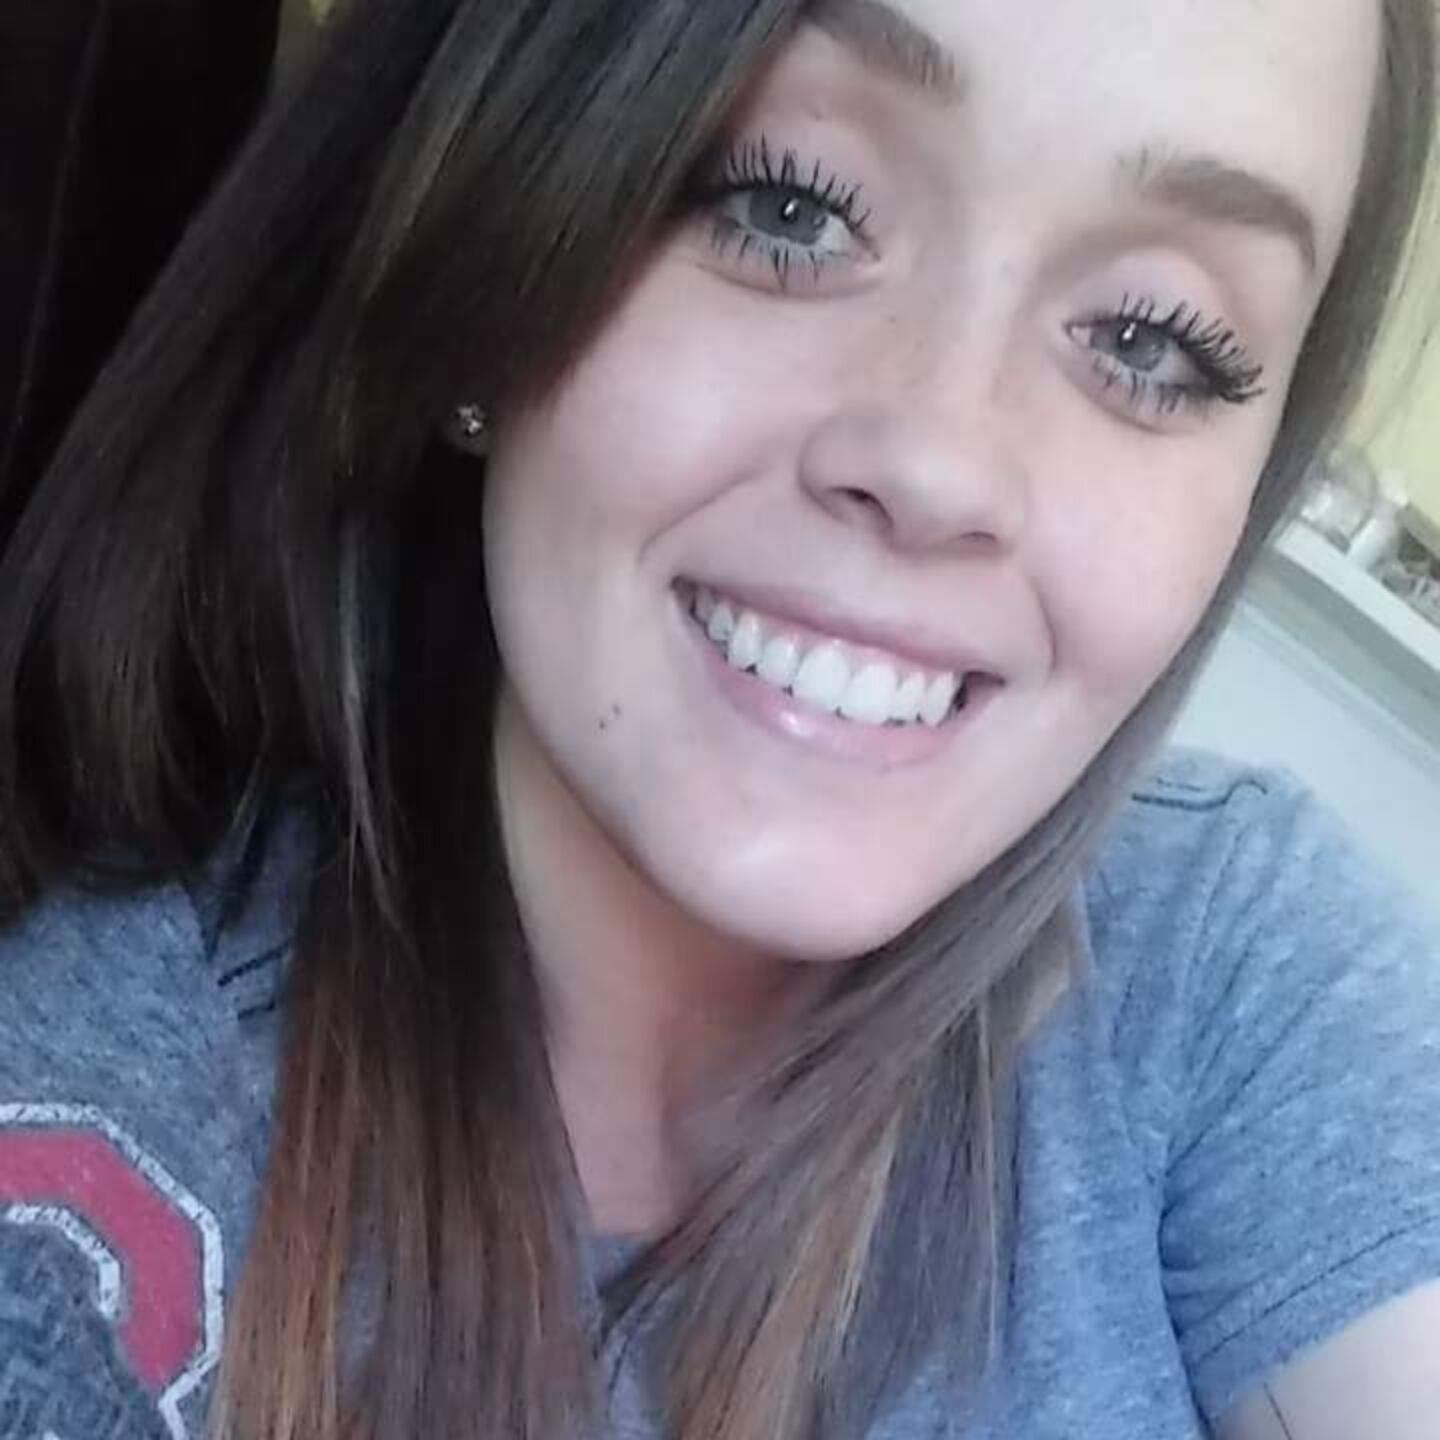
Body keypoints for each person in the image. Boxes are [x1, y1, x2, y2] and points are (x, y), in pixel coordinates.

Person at [0, 0, 1437, 1436]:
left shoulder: (1243, 966)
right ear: (495, 241)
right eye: (789, 206)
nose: (939, 465)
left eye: (1153, 341)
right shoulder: (90, 1166)